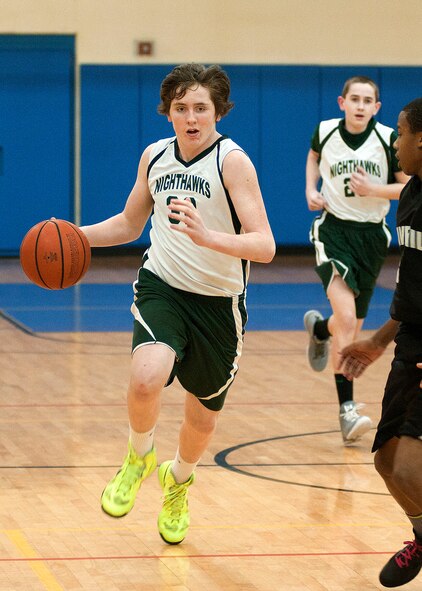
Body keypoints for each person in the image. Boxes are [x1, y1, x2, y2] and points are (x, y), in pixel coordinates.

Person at [79, 63, 275, 545]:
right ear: (167, 112)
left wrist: (208, 237)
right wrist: (73, 237)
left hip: (218, 303)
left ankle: (178, 481)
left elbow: (265, 245)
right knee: (146, 379)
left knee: (201, 418)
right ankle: (139, 455)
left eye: (201, 109)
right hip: (162, 285)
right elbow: (128, 224)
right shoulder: (155, 156)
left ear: (218, 113)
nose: (190, 117)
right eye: (181, 108)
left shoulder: (232, 162)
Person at [340, 97, 422, 588]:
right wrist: (376, 342)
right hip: (410, 339)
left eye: (400, 133)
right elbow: (410, 286)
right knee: (386, 460)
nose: (394, 142)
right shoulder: (411, 194)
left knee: (411, 465)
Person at [303, 75, 409, 444]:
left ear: (377, 108)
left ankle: (320, 330)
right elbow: (314, 157)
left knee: (350, 324)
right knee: (347, 318)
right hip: (333, 231)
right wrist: (311, 188)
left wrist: (373, 189)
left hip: (372, 238)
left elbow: (407, 186)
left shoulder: (388, 140)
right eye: (355, 99)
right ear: (341, 102)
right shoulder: (326, 131)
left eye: (368, 101)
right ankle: (347, 409)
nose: (361, 105)